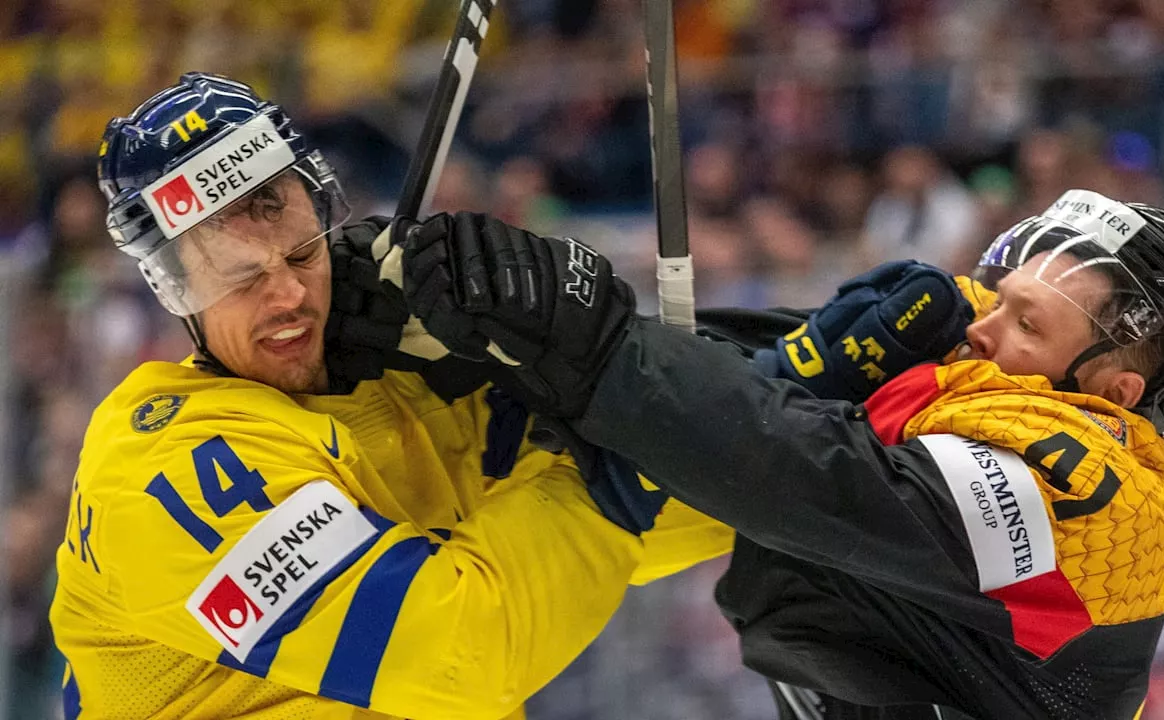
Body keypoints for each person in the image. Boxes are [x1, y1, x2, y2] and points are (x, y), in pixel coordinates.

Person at [377, 188, 1164, 719]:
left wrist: (587, 338)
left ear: (1115, 393)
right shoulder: (975, 387)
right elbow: (750, 379)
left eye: (1028, 323)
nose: (984, 326)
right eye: (1002, 298)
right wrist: (468, 339)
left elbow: (806, 468)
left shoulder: (1102, 506)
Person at [49, 72, 732, 720]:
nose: (289, 298)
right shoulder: (161, 476)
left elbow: (662, 516)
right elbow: (466, 650)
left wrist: (757, 397)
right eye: (239, 278)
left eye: (302, 255)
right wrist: (613, 454)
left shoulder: (398, 389)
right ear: (177, 290)